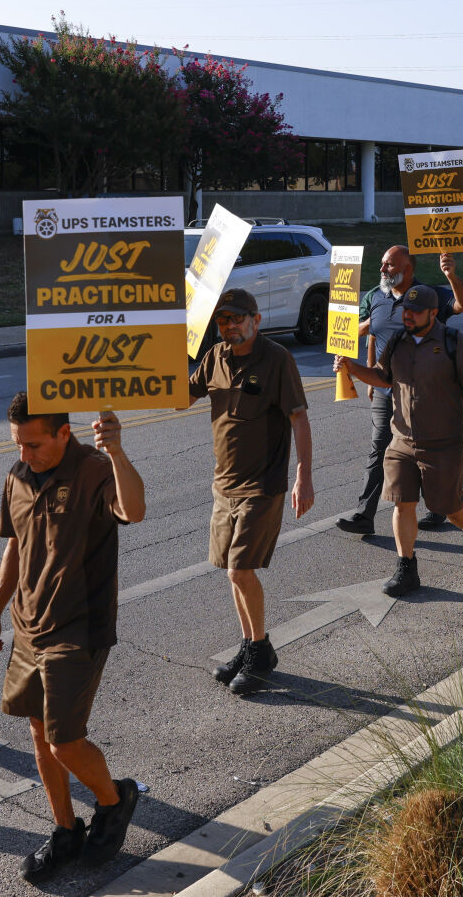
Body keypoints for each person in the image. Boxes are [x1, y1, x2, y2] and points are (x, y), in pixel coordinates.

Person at [0, 394, 146, 883]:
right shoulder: (17, 475)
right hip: (27, 624)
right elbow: (15, 546)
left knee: (64, 742)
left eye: (34, 444)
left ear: (62, 433)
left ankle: (115, 801)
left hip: (79, 624)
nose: (25, 454)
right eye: (18, 445)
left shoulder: (94, 467)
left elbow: (134, 511)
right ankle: (65, 830)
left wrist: (116, 451)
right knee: (38, 731)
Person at [185, 289, 313, 696]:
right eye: (223, 320)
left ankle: (259, 651)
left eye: (237, 319)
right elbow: (179, 399)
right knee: (232, 573)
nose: (229, 326)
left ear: (256, 320)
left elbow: (299, 418)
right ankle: (252, 645)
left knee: (241, 569)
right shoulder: (214, 358)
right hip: (224, 485)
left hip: (262, 485)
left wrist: (303, 476)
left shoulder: (277, 360)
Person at [337, 284, 463, 598]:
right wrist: (353, 368)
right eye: (405, 309)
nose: (408, 315)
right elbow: (383, 377)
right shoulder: (397, 341)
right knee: (402, 505)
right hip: (402, 441)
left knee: (449, 508)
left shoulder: (454, 343)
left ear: (433, 313)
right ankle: (406, 567)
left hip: (443, 443)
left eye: (415, 311)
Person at [336, 246, 463, 537]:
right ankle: (364, 515)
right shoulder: (375, 296)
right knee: (380, 448)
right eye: (382, 264)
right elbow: (371, 336)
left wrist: (451, 276)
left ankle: (437, 510)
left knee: (427, 453)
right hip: (387, 389)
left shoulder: (428, 295)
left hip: (426, 393)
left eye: (388, 265)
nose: (382, 269)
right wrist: (370, 376)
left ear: (407, 269)